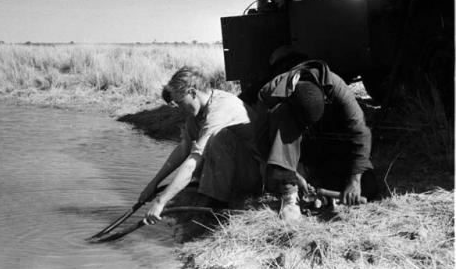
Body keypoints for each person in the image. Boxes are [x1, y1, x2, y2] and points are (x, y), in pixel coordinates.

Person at [247, 58, 378, 223]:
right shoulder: (271, 93)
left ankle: (323, 191)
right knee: (281, 115)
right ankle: (290, 196)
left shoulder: (337, 88)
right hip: (295, 151)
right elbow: (261, 142)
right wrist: (294, 174)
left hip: (329, 144)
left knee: (369, 185)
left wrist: (355, 179)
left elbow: (361, 132)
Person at [140, 66, 264, 225]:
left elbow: (194, 160)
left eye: (180, 102)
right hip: (239, 169)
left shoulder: (220, 109)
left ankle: (216, 207)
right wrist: (153, 183)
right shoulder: (196, 114)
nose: (179, 108)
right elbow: (183, 149)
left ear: (192, 92)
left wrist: (161, 201)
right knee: (206, 144)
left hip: (257, 174)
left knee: (220, 138)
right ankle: (212, 197)